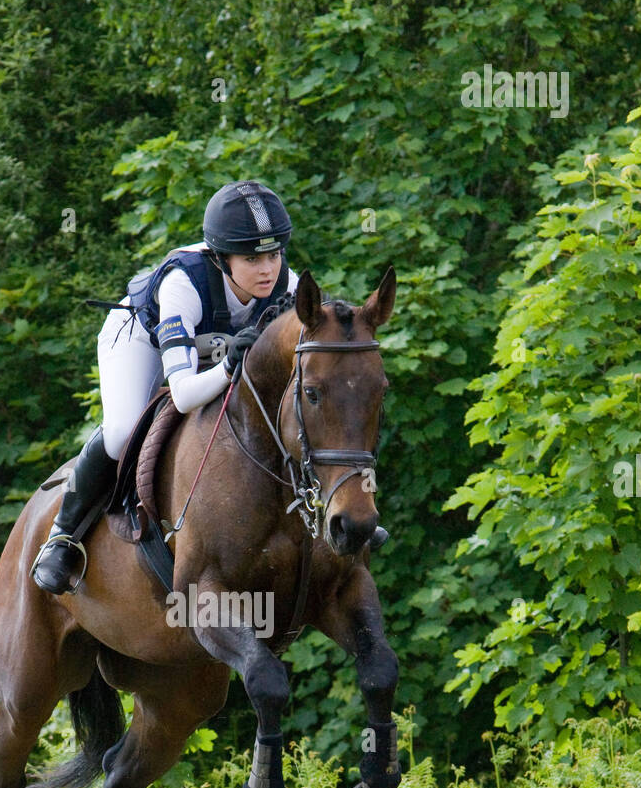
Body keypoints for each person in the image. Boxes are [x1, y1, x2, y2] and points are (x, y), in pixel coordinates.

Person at [32, 180, 387, 594]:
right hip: (141, 342)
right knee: (123, 429)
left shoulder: (290, 289)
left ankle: (330, 506)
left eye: (273, 254)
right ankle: (63, 533)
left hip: (219, 354)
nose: (268, 269)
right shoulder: (183, 286)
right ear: (222, 259)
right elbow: (182, 395)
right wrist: (229, 370)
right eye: (252, 258)